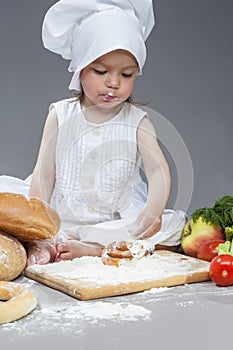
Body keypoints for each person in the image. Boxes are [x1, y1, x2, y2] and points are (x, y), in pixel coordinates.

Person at [0, 0, 187, 265]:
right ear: (80, 69)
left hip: (112, 219)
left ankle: (87, 248)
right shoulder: (60, 115)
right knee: (14, 210)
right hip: (61, 213)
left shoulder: (137, 121)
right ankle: (46, 243)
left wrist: (153, 209)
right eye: (101, 71)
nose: (114, 83)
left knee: (170, 227)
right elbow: (44, 172)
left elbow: (157, 169)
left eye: (127, 74)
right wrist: (36, 224)